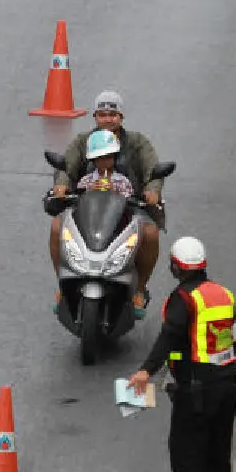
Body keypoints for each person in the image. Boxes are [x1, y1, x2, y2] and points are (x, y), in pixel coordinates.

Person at [126, 237, 236, 472]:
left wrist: (145, 372)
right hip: (227, 385)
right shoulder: (223, 294)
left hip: (197, 391)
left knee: (188, 459)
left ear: (177, 267)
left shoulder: (184, 298)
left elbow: (170, 337)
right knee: (217, 457)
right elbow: (230, 340)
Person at [50, 89, 166, 317]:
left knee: (151, 234)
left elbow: (153, 172)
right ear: (95, 116)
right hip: (86, 208)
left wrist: (152, 192)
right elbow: (66, 167)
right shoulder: (82, 142)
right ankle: (63, 289)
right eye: (102, 114)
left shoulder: (138, 142)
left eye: (113, 114)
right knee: (56, 227)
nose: (107, 119)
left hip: (131, 208)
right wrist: (61, 185)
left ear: (121, 117)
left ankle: (139, 291)